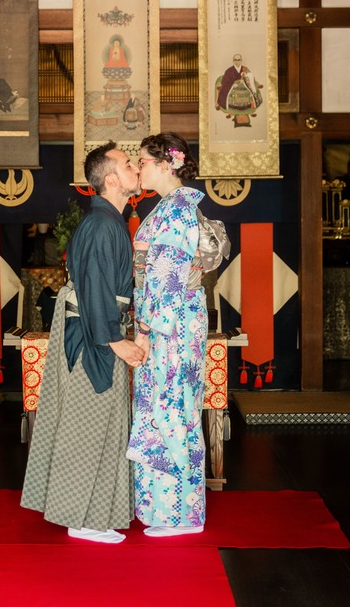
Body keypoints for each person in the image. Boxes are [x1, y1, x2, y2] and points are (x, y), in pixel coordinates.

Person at [20, 141, 147, 544]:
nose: (135, 170)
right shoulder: (101, 225)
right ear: (111, 179)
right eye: (129, 165)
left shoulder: (110, 222)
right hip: (92, 334)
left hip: (97, 326)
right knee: (86, 423)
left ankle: (95, 515)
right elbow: (94, 288)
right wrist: (115, 341)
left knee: (102, 422)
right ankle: (81, 519)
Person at [126, 132, 209, 537]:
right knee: (166, 406)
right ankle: (164, 509)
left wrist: (145, 329)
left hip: (170, 325)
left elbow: (166, 279)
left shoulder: (175, 211)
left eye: (142, 160)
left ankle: (180, 514)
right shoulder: (168, 208)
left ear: (164, 164)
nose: (138, 167)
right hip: (171, 321)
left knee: (172, 408)